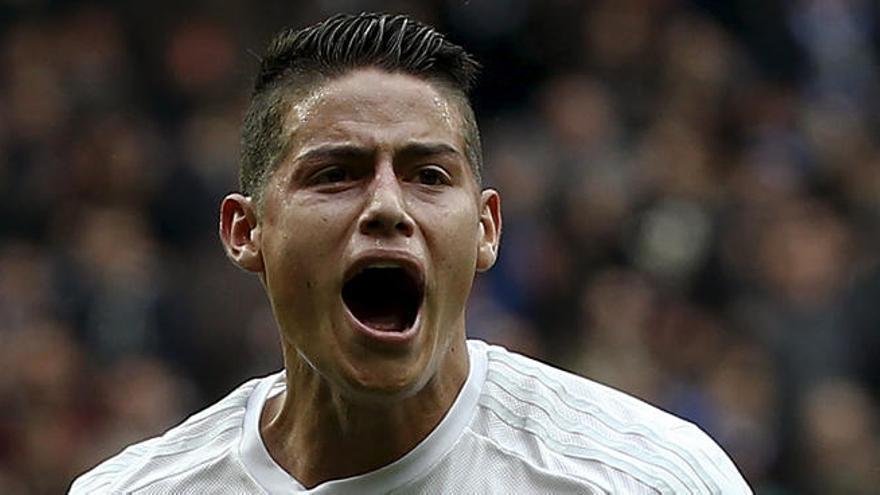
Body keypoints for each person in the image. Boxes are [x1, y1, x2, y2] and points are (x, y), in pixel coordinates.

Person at [70, 12, 752, 494]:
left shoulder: (646, 478)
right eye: (335, 173)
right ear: (245, 231)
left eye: (429, 175)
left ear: (487, 228)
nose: (388, 206)